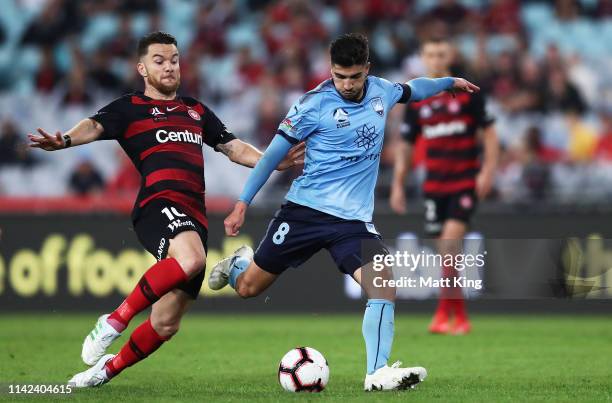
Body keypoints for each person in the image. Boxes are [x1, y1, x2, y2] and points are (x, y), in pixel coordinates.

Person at [27, 31, 303, 388]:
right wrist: (64, 139)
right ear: (142, 68)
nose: (169, 66)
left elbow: (232, 147)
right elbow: (94, 125)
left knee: (165, 323)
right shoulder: (129, 108)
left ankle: (105, 371)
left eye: (174, 59)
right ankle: (113, 320)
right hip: (157, 205)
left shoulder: (196, 110)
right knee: (192, 260)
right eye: (159, 60)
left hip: (194, 216)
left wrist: (272, 162)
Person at [207, 33, 479, 391]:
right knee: (247, 289)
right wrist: (242, 203)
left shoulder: (382, 91)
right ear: (330, 70)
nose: (347, 85)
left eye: (354, 76)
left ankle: (377, 373)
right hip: (303, 212)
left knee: (383, 284)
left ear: (367, 69)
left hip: (352, 222)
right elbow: (272, 156)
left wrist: (448, 83)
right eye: (340, 76)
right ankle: (240, 264)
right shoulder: (311, 105)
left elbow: (415, 88)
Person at [389, 38, 498, 335]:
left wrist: (488, 171)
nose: (436, 59)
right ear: (423, 58)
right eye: (431, 55)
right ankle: (457, 316)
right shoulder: (417, 99)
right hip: (433, 186)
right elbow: (406, 147)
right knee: (445, 256)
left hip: (463, 182)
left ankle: (446, 316)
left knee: (449, 247)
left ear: (449, 56)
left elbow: (489, 133)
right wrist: (398, 184)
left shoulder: (468, 93)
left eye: (441, 54)